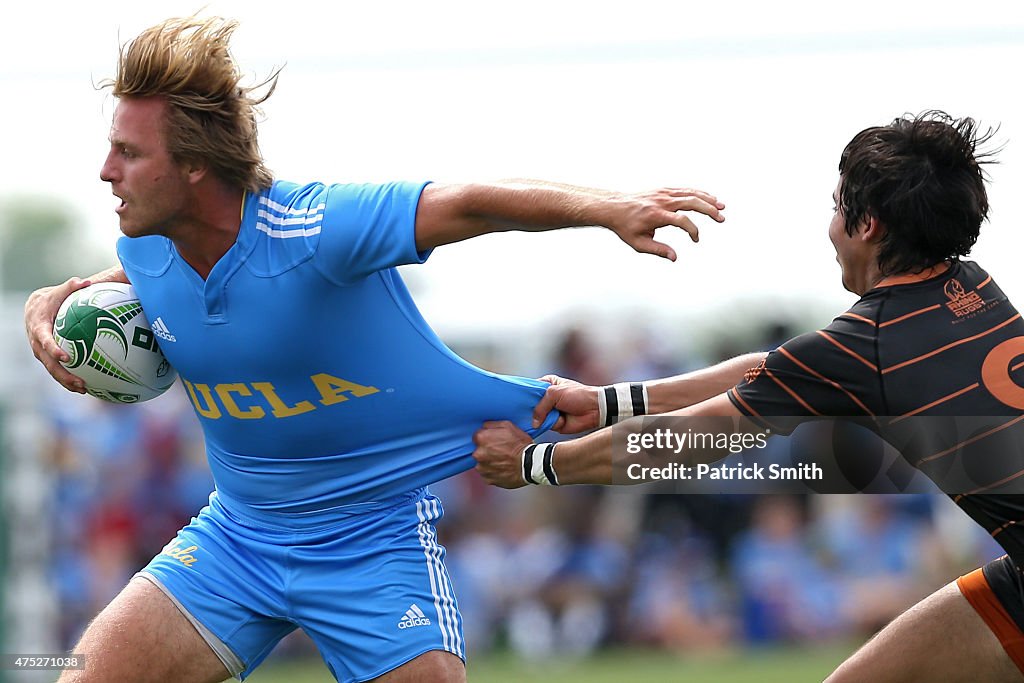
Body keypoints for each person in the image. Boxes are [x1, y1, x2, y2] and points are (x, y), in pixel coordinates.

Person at [22, 16, 726, 683]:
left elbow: (471, 201)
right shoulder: (145, 249)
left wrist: (609, 207)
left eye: (130, 152)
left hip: (370, 542)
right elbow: (140, 283)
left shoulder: (317, 228)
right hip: (235, 540)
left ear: (196, 166)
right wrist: (50, 299)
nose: (106, 170)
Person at [473, 111, 1024, 681]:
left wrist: (532, 464)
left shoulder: (871, 343)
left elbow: (681, 443)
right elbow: (771, 369)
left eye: (839, 206)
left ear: (869, 226)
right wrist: (610, 402)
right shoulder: (973, 288)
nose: (831, 226)